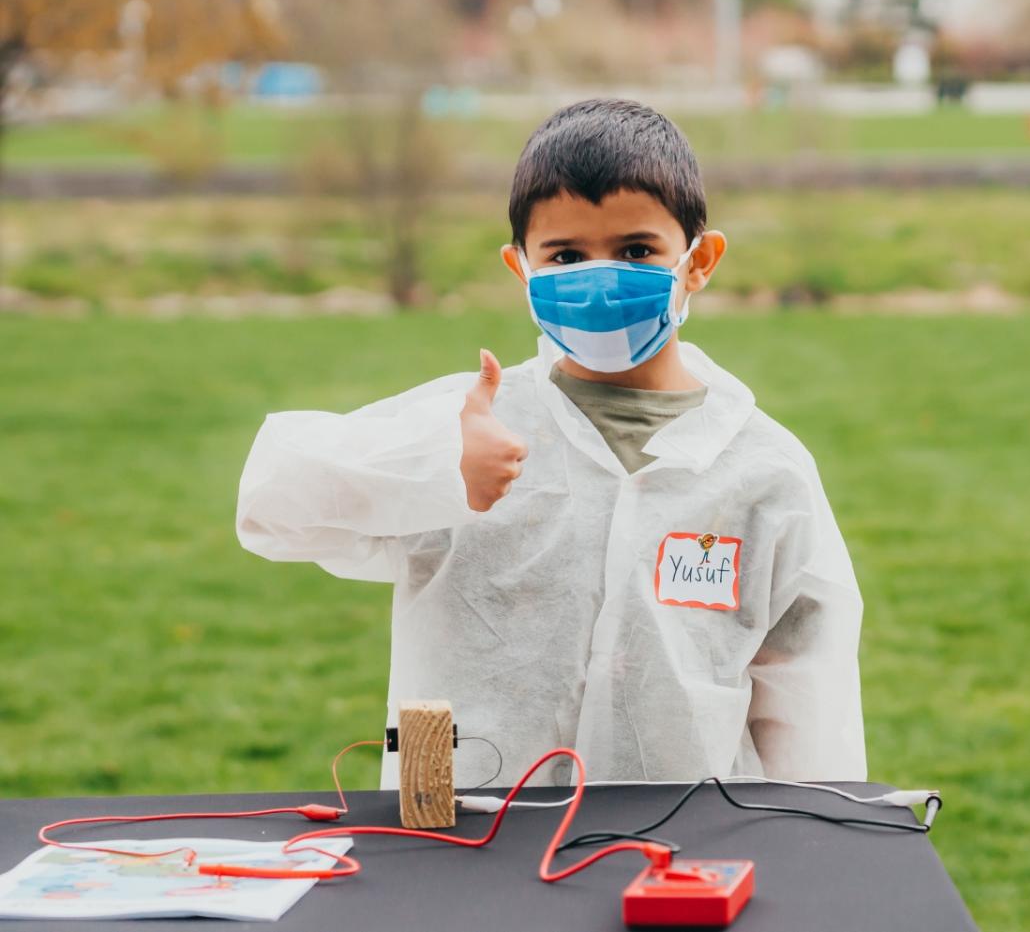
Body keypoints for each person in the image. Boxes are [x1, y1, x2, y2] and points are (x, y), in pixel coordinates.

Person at [235, 98, 866, 790]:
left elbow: (811, 703)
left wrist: (814, 844)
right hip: (462, 841)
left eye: (636, 250)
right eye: (565, 255)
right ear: (521, 269)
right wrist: (435, 463)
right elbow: (270, 501)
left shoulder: (762, 470)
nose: (600, 280)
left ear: (699, 260)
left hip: (682, 850)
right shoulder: (472, 424)